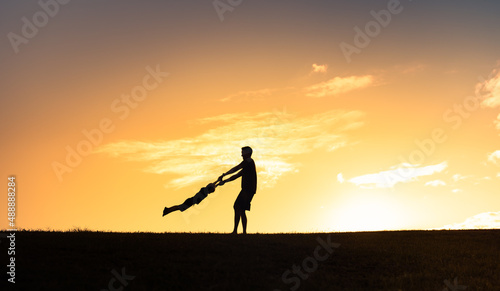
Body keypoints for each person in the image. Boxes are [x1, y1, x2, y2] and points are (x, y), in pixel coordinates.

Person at [218, 146, 257, 234]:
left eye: (242, 153)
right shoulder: (248, 165)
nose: (241, 155)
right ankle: (242, 232)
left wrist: (224, 174)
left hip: (247, 190)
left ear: (247, 153)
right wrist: (225, 181)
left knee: (237, 206)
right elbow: (237, 175)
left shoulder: (248, 162)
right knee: (241, 209)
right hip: (248, 190)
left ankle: (237, 231)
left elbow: (236, 168)